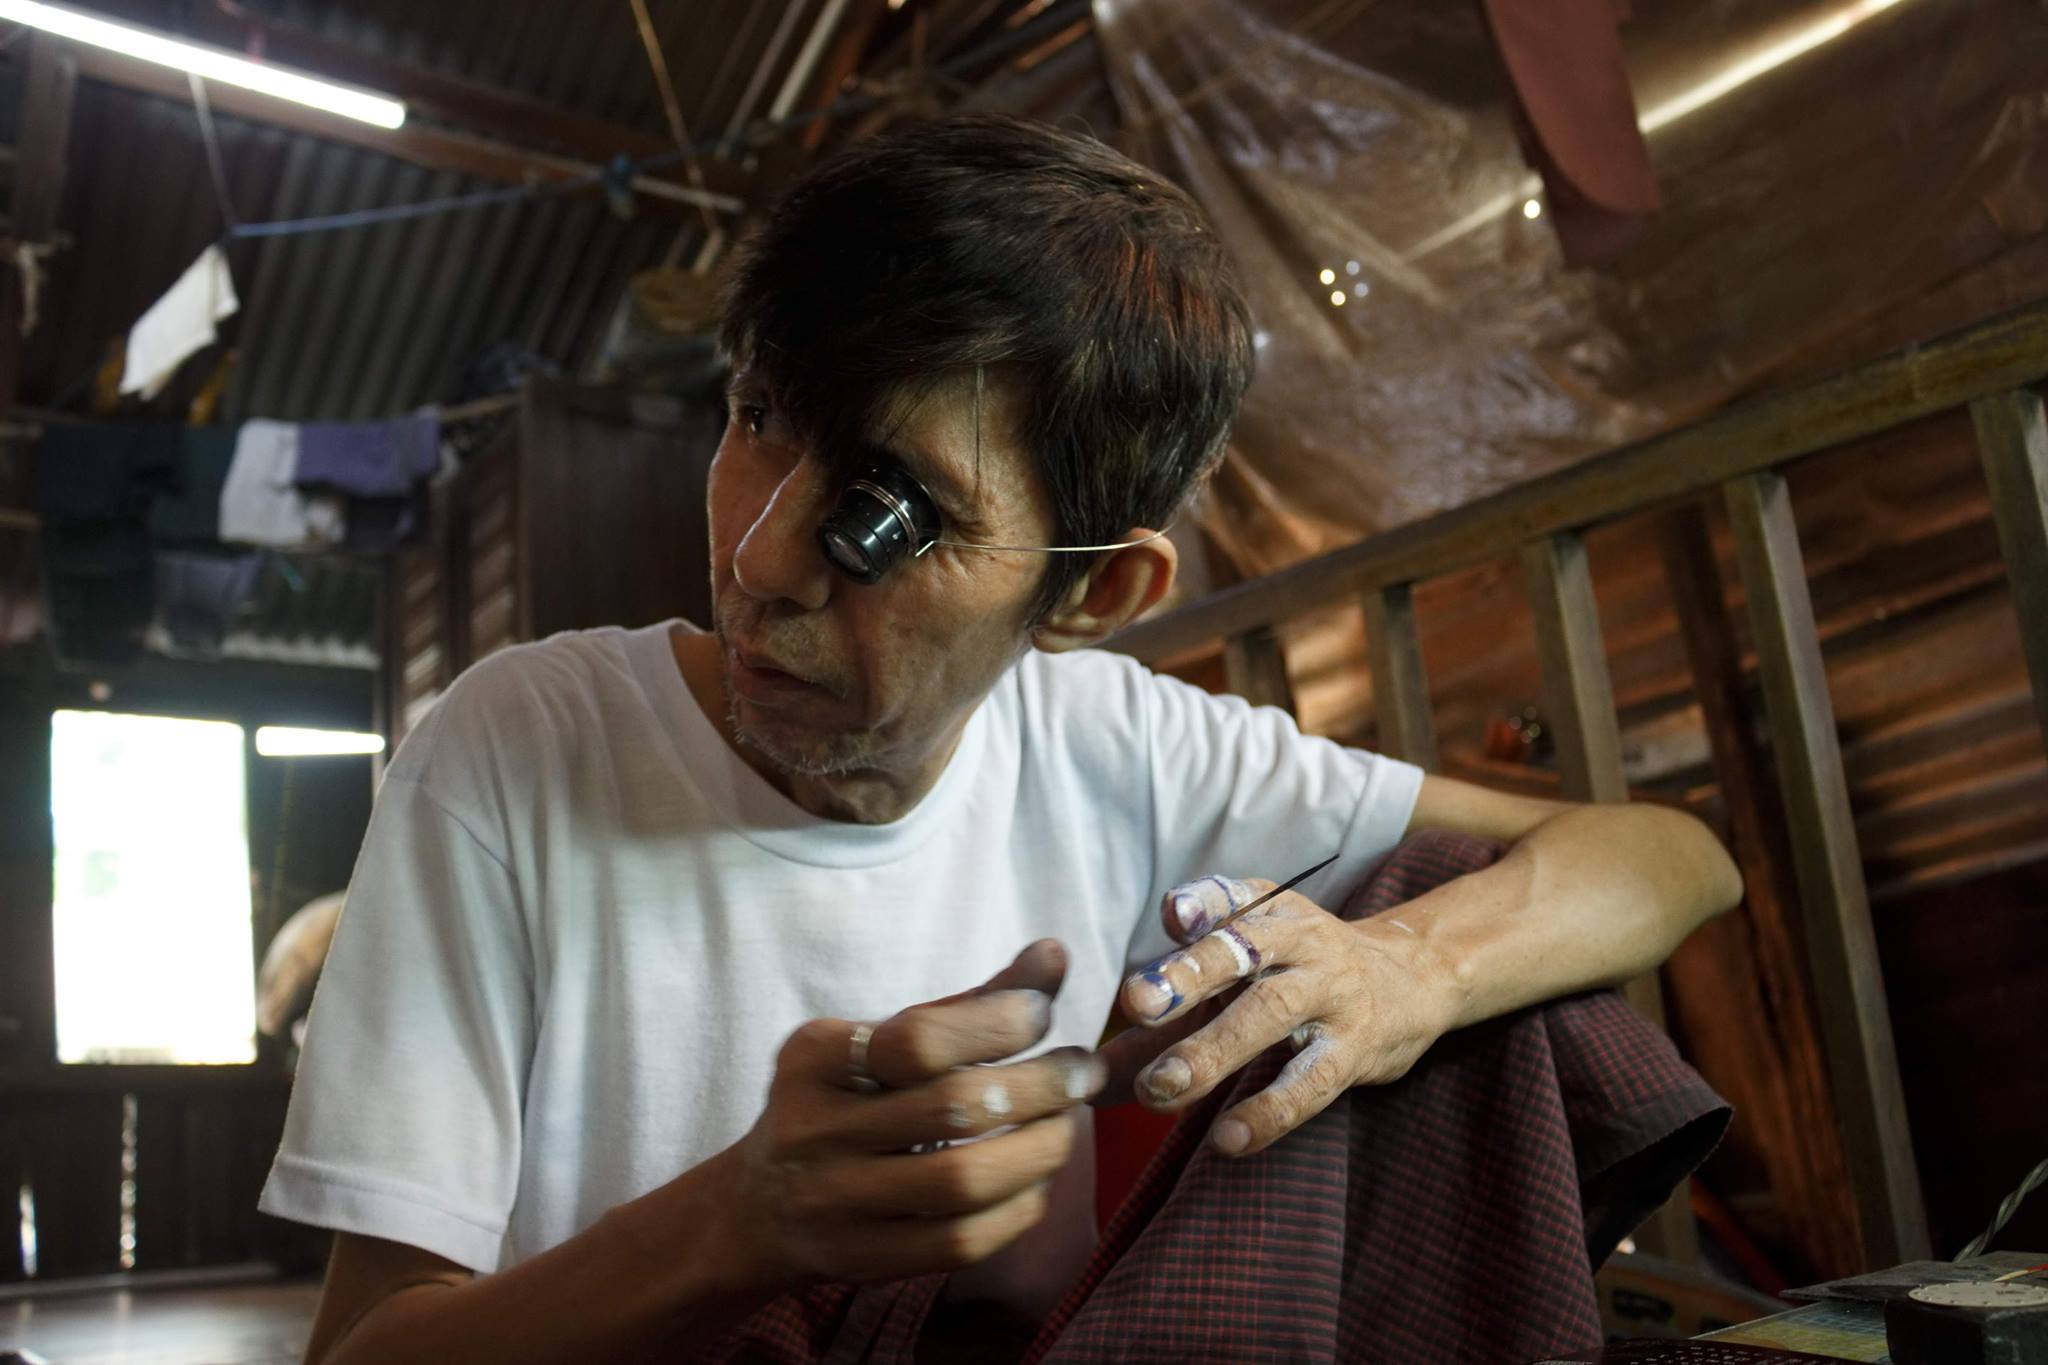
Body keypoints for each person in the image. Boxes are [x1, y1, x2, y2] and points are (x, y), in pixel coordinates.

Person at [262, 114, 1741, 1364]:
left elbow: (1670, 859)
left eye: (885, 512)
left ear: (1094, 589)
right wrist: (738, 1223)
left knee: (1440, 905)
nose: (765, 560)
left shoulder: (1126, 750)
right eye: (760, 418)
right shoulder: (515, 752)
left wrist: (1402, 971)